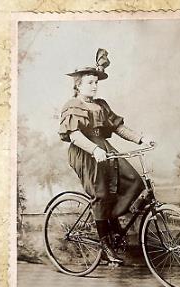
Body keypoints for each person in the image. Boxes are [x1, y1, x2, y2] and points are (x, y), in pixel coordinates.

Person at [59, 49, 154, 263]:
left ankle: (110, 219)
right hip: (85, 152)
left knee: (134, 181)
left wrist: (141, 139)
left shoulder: (101, 104)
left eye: (95, 82)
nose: (94, 86)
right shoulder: (72, 106)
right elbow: (74, 135)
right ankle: (106, 245)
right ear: (78, 85)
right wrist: (94, 150)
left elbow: (119, 127)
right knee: (101, 195)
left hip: (104, 148)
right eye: (90, 82)